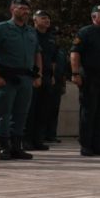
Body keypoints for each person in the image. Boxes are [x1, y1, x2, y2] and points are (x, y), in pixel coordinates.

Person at [0, 0, 42, 162]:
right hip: (7, 77)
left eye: (27, 9)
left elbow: (37, 53)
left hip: (25, 78)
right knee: (3, 112)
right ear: (12, 9)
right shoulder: (1, 28)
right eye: (21, 8)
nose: (25, 12)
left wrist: (38, 75)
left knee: (21, 113)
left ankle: (17, 147)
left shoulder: (31, 31)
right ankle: (4, 147)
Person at [70, 5, 100, 157]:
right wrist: (75, 73)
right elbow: (75, 53)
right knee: (88, 112)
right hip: (90, 78)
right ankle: (86, 145)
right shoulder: (85, 32)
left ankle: (98, 145)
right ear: (94, 17)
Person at [28, 10, 63, 150]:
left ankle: (38, 140)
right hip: (33, 76)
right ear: (35, 20)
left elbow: (54, 59)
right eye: (43, 18)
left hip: (48, 77)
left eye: (48, 18)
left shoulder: (51, 38)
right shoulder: (30, 34)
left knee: (43, 110)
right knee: (31, 110)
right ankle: (27, 140)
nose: (47, 20)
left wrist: (53, 76)